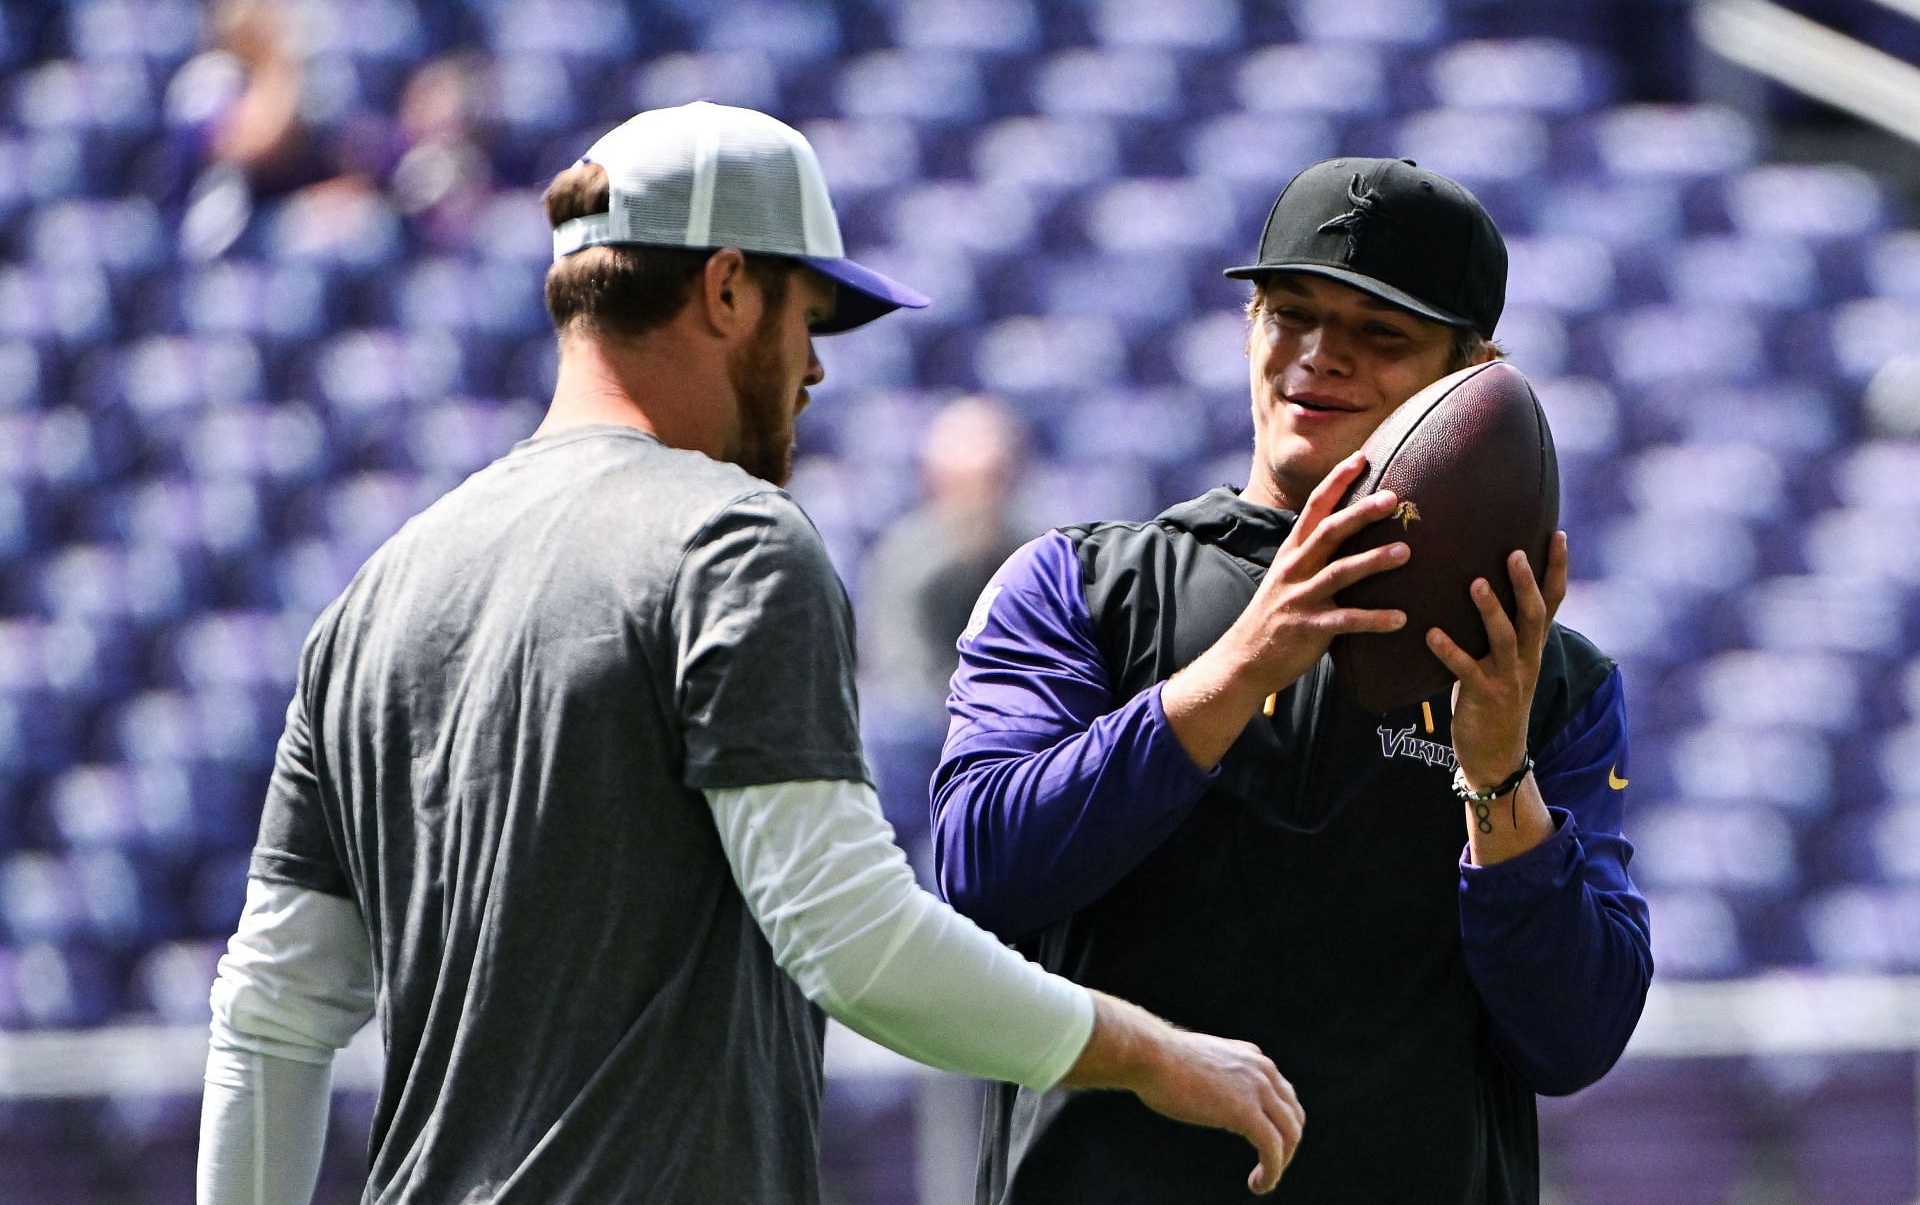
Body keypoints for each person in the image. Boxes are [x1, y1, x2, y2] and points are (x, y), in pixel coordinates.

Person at [195, 102, 1306, 1205]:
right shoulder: (732, 539)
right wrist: (1156, 1052)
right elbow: (852, 936)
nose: (815, 370)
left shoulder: (377, 593)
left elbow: (271, 1010)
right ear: (727, 287)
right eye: (807, 316)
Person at [932, 157, 1653, 1204]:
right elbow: (977, 871)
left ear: (1473, 375)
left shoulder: (1543, 670)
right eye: (1291, 313)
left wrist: (1497, 776)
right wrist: (1241, 663)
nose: (1320, 358)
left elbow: (1575, 1035)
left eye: (1381, 334)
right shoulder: (1084, 584)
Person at [861, 395, 1030, 871]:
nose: (977, 498)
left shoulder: (1039, 552)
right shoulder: (906, 556)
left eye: (992, 480)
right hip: (933, 747)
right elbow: (902, 677)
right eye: (963, 483)